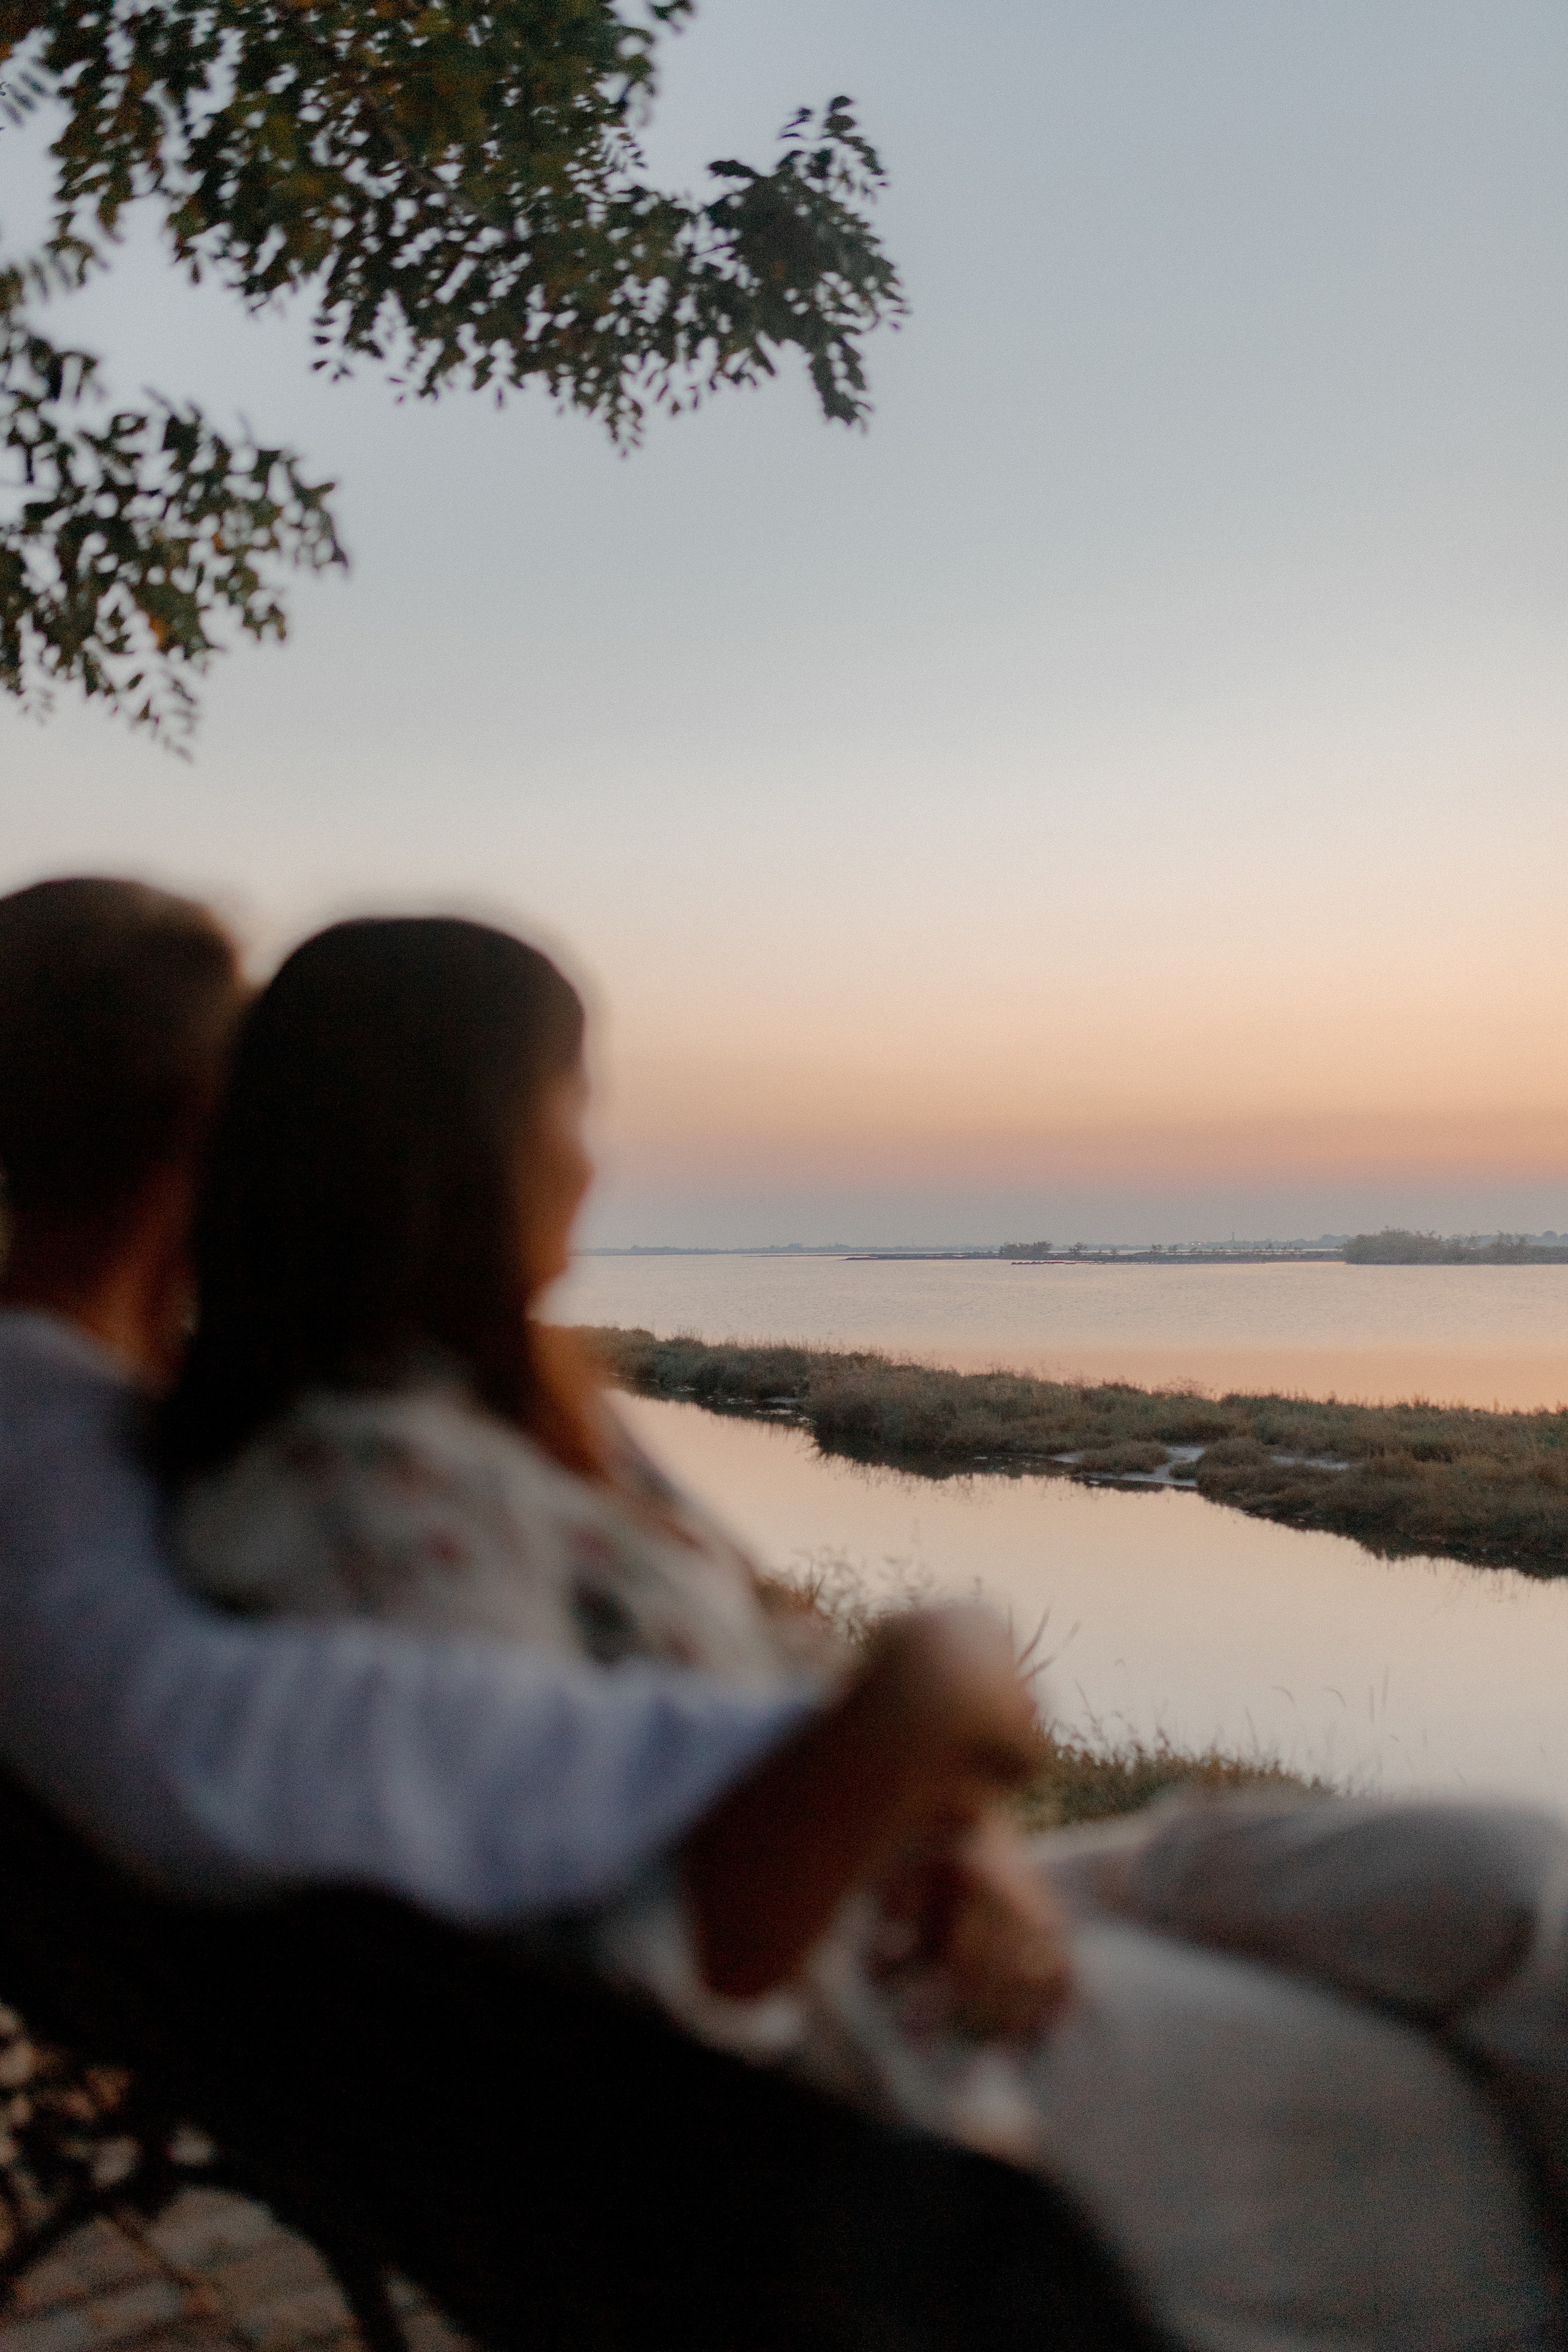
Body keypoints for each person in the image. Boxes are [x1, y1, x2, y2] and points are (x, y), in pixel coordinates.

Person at [0, 878, 1560, 2352]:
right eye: (572, 1107)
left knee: (1511, 1880)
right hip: (870, 2056)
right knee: (1484, 2097)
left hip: (907, 1906)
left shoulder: (434, 1427)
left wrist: (935, 1817)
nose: (593, 1163)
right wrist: (926, 1689)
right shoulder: (359, 1506)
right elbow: (630, 1972)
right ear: (460, 1146)